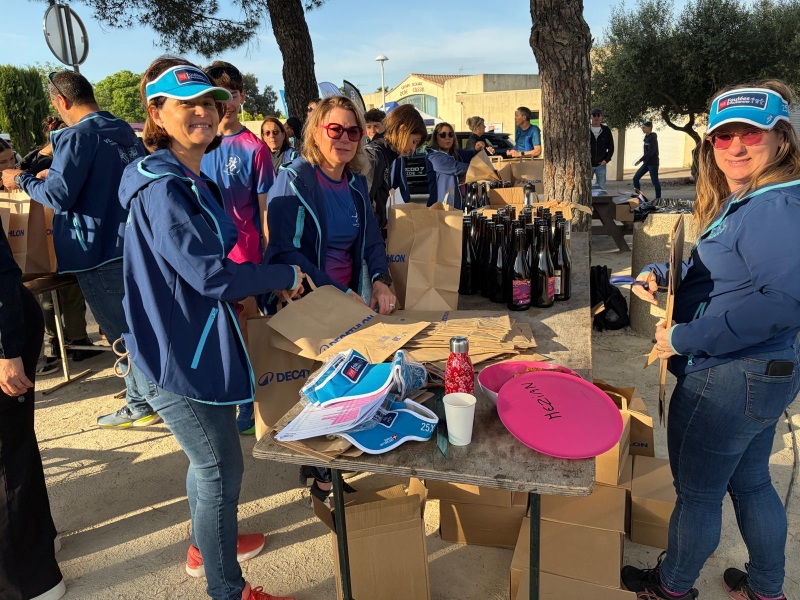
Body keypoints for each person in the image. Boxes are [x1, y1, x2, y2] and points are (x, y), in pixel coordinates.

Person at [122, 56, 302, 600]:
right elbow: (211, 275)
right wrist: (282, 275)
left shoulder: (188, 177)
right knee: (220, 469)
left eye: (208, 102)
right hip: (178, 355)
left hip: (188, 342)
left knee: (206, 465)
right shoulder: (164, 188)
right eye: (187, 104)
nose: (202, 112)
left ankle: (206, 546)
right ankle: (227, 589)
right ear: (156, 113)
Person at [624, 80, 800, 600]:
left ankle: (672, 588)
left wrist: (684, 336)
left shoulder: (775, 206)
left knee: (698, 496)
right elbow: (724, 270)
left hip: (729, 376)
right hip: (760, 374)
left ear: (782, 137)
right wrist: (667, 272)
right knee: (751, 482)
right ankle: (766, 589)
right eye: (724, 136)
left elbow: (782, 302)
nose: (736, 147)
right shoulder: (752, 197)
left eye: (752, 134)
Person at [0, 70, 158, 429]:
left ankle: (147, 402)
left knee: (122, 334)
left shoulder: (76, 136)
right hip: (131, 244)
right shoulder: (121, 130)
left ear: (62, 101)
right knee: (136, 327)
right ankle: (142, 400)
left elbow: (59, 196)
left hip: (95, 251)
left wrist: (19, 178)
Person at [265, 96, 395, 504]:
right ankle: (324, 481)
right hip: (310, 300)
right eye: (335, 129)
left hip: (350, 301)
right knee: (326, 391)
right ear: (316, 132)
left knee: (345, 386)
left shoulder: (356, 184)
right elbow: (286, 251)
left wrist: (381, 280)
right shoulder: (295, 179)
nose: (344, 138)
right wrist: (336, 294)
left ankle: (325, 470)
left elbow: (372, 240)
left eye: (353, 131)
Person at [202, 61, 275, 435]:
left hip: (244, 256)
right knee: (214, 333)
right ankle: (224, 396)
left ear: (242, 96)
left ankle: (249, 400)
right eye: (216, 95)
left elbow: (265, 211)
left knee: (244, 332)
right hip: (205, 257)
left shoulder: (254, 149)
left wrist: (268, 257)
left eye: (231, 94)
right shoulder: (196, 144)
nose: (225, 103)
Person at [0, 205, 66, 600]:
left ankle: (31, 581)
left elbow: (2, 275)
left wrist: (6, 351)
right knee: (15, 446)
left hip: (6, 336)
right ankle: (40, 543)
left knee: (7, 455)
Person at [21, 117, 104, 374]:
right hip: (64, 237)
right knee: (69, 294)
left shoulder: (33, 159)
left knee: (51, 299)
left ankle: (57, 342)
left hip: (42, 243)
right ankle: (77, 341)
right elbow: (61, 195)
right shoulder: (61, 158)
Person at [363, 104, 427, 228]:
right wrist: (382, 224)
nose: (413, 149)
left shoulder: (384, 155)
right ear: (402, 130)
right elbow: (363, 206)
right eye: (414, 141)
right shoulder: (374, 155)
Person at [425, 122, 475, 209]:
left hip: (456, 205)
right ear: (436, 138)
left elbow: (470, 154)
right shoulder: (434, 156)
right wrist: (478, 169)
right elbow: (456, 167)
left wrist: (479, 148)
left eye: (450, 134)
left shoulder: (455, 153)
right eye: (443, 135)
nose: (447, 137)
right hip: (440, 206)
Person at [633, 121, 661, 198]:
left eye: (644, 128)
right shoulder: (646, 137)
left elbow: (651, 152)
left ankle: (658, 198)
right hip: (646, 163)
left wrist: (640, 160)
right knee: (635, 178)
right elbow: (646, 152)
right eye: (642, 128)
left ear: (649, 127)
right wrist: (643, 160)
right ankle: (638, 196)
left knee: (655, 182)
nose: (643, 129)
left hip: (653, 163)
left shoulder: (653, 138)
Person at [590, 108, 614, 189]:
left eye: (598, 115)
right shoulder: (586, 129)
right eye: (594, 115)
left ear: (601, 117)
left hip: (601, 165)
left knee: (601, 187)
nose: (596, 117)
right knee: (586, 187)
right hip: (588, 165)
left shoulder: (606, 130)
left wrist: (606, 160)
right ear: (591, 117)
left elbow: (611, 147)